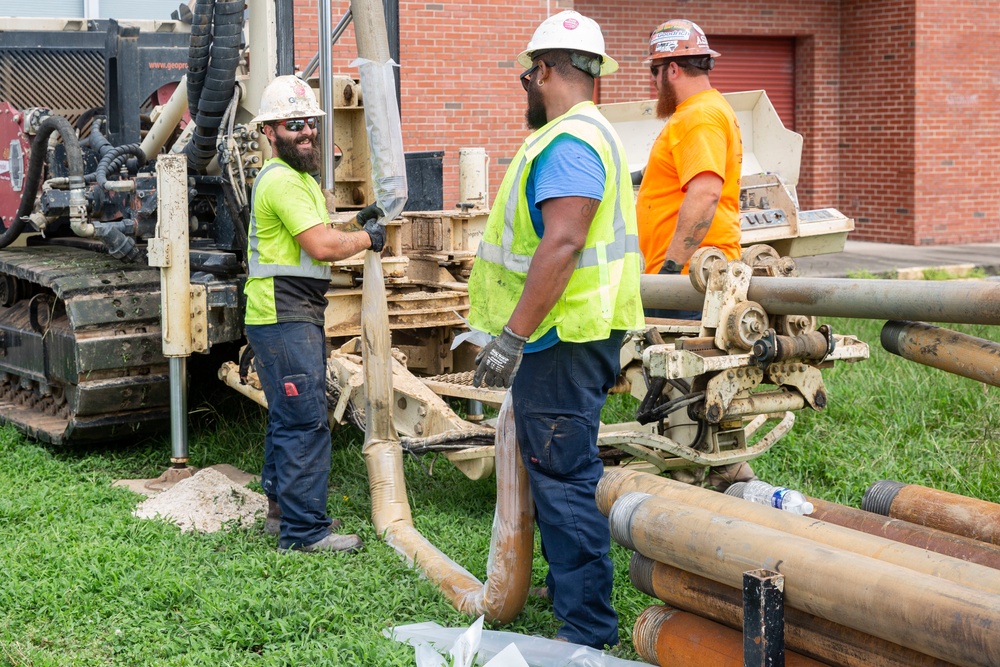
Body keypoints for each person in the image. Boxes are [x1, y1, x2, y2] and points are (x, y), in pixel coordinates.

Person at [466, 11, 644, 650]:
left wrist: (511, 336)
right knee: (554, 467)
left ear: (544, 71)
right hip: (569, 336)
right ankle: (572, 595)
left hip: (562, 340)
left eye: (526, 77)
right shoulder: (587, 134)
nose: (526, 90)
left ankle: (586, 629)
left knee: (565, 475)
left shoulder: (569, 142)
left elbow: (563, 241)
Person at [244, 75, 385, 553]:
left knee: (289, 415)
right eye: (294, 125)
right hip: (282, 314)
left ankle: (281, 515)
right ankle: (305, 533)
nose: (306, 132)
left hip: (289, 311)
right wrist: (365, 239)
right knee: (305, 420)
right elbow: (322, 247)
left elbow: (316, 235)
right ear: (270, 132)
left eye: (310, 124)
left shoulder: (299, 179)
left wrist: (352, 224)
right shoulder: (282, 180)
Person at [635, 19, 743, 320]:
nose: (653, 83)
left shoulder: (699, 116)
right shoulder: (704, 110)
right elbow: (682, 170)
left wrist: (671, 268)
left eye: (653, 72)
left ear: (672, 69)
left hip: (688, 280)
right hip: (690, 276)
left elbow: (706, 192)